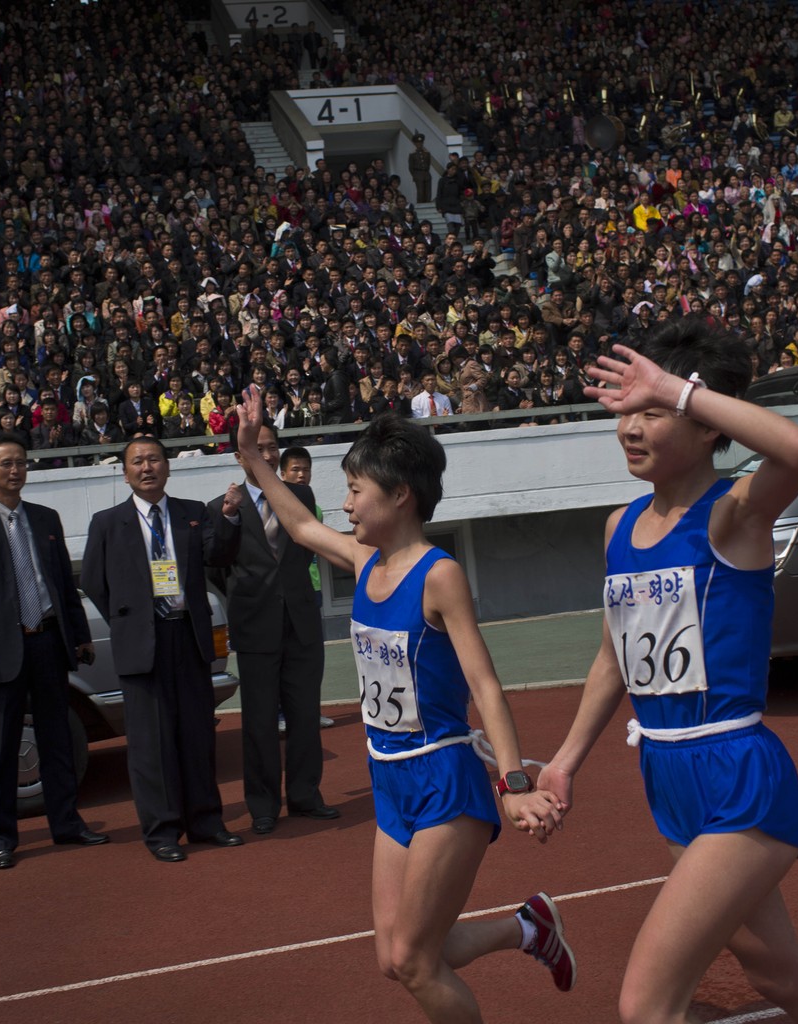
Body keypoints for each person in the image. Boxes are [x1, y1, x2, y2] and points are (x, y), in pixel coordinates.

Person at [537, 321, 798, 1024]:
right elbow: (612, 655)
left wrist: (677, 388)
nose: (631, 427)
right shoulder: (618, 526)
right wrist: (565, 761)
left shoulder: (733, 516)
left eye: (652, 413)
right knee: (781, 977)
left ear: (707, 423)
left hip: (737, 775)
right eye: (627, 411)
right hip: (668, 774)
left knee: (647, 1005)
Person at [234, 387, 575, 1021]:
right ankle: (528, 930)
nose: (344, 504)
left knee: (416, 962)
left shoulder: (438, 574)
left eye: (356, 490)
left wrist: (514, 781)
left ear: (399, 495)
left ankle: (529, 931)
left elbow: (486, 686)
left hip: (443, 777)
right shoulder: (364, 562)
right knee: (395, 956)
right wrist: (253, 460)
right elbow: (303, 526)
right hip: (387, 775)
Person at [0, 432, 108, 870]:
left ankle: (67, 823)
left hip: (49, 641)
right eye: (6, 464)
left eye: (21, 462)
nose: (15, 470)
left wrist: (79, 634)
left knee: (59, 739)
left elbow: (62, 585)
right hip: (1, 651)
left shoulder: (46, 518)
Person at [81, 436, 246, 862]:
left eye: (154, 459)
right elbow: (95, 583)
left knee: (196, 736)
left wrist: (227, 516)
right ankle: (162, 832)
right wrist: (130, 618)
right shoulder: (106, 522)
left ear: (167, 467)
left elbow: (219, 556)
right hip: (142, 643)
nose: (146, 467)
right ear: (125, 472)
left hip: (187, 639)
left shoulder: (191, 514)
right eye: (137, 462)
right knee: (150, 745)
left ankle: (206, 822)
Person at [208, 422, 337, 835]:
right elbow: (214, 563)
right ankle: (263, 805)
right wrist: (227, 522)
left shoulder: (301, 495)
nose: (266, 455)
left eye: (272, 447)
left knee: (304, 716)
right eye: (257, 448)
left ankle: (305, 796)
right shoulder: (222, 506)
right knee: (259, 722)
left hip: (300, 624)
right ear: (239, 455)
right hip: (255, 627)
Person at [280, 445, 335, 729]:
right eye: (295, 470)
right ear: (282, 473)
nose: (301, 475)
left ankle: (310, 710)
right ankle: (280, 713)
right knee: (283, 654)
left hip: (311, 590)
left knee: (312, 655)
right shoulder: (274, 504)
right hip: (282, 593)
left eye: (306, 470)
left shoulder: (315, 509)